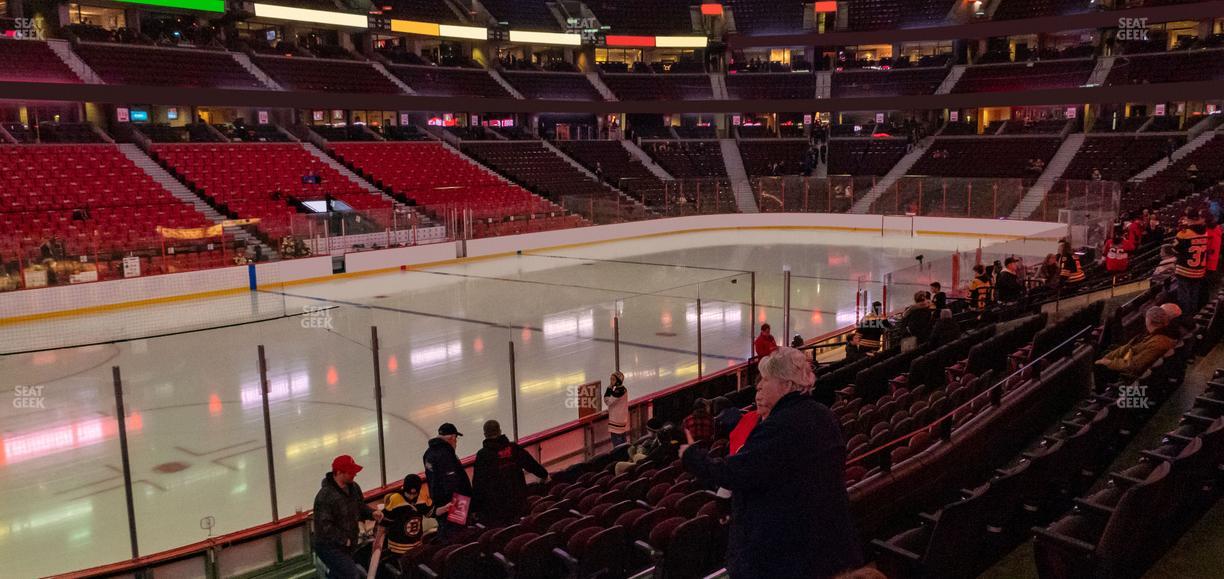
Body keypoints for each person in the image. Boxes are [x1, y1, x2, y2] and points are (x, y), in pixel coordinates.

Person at [682, 348, 863, 578]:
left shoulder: (780, 427)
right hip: (823, 546)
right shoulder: (823, 415)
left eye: (766, 379)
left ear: (786, 384)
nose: (759, 385)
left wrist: (691, 456)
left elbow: (733, 473)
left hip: (786, 557)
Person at [313, 455, 383, 579]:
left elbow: (360, 507)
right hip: (329, 547)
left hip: (348, 544)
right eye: (351, 472)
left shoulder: (354, 488)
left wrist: (372, 513)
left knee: (340, 574)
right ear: (339, 473)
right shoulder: (324, 497)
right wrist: (344, 540)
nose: (355, 474)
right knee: (351, 574)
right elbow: (325, 527)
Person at [471, 420, 548, 526]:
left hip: (497, 506)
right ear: (500, 431)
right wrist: (544, 474)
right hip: (519, 499)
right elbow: (530, 464)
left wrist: (475, 508)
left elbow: (478, 484)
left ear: (485, 434)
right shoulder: (513, 448)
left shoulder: (482, 455)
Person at [1095, 306, 1177, 383]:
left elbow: (1132, 366)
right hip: (1127, 359)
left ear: (1148, 321)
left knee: (1100, 362)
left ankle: (1101, 391)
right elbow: (1129, 347)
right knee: (1108, 347)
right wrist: (1109, 356)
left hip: (1127, 374)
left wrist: (1109, 362)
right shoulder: (1152, 335)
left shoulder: (1158, 342)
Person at [422, 423, 471, 539]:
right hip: (454, 503)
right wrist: (461, 506)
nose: (456, 442)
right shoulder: (446, 455)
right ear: (452, 437)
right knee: (457, 535)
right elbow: (452, 484)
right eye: (456, 438)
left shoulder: (428, 453)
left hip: (439, 502)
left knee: (446, 532)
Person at [380, 474, 431, 566]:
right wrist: (378, 542)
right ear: (404, 489)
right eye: (409, 494)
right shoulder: (395, 499)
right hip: (397, 547)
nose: (411, 497)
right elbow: (384, 522)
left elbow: (430, 512)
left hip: (416, 544)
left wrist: (445, 508)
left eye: (414, 494)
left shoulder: (422, 496)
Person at [1173, 207, 1210, 315]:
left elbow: (1175, 250)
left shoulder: (1183, 234)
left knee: (1184, 297)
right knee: (1194, 295)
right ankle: (1193, 316)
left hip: (1184, 271)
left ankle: (1185, 318)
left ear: (1188, 219)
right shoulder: (1205, 232)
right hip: (1199, 271)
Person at [604, 371, 630, 447]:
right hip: (621, 420)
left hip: (616, 422)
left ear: (618, 381)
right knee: (623, 442)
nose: (611, 381)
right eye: (610, 379)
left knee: (618, 446)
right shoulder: (623, 389)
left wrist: (609, 388)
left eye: (613, 379)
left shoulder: (618, 391)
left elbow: (607, 401)